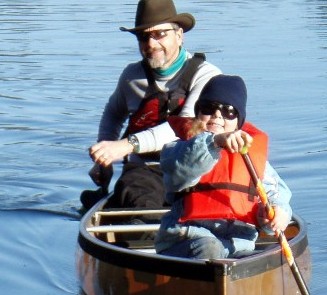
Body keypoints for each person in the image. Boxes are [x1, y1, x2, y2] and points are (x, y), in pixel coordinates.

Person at [81, 0, 222, 213]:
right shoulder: (131, 77)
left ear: (179, 34)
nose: (151, 44)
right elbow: (113, 114)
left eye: (160, 34)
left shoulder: (207, 76)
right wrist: (105, 159)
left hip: (194, 170)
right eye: (144, 37)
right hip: (144, 173)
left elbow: (183, 129)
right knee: (138, 201)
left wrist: (126, 145)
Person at [154, 75, 292, 259]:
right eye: (209, 108)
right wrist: (215, 142)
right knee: (209, 248)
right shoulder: (178, 150)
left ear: (238, 122)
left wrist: (277, 213)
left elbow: (277, 195)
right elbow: (182, 168)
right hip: (185, 241)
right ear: (197, 115)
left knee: (268, 257)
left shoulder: (252, 159)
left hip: (238, 246)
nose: (218, 115)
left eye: (229, 111)